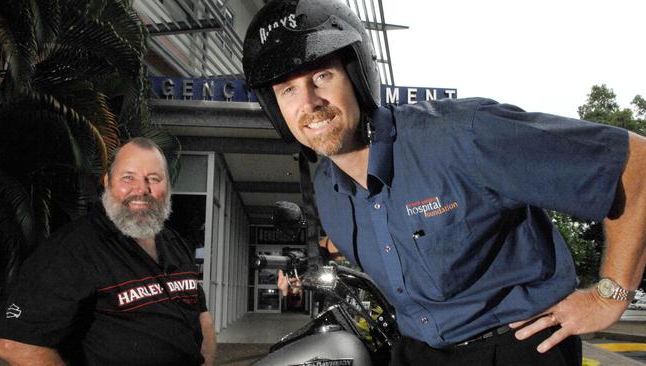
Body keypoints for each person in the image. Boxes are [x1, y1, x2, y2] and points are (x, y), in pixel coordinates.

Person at [242, 1, 646, 365]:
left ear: (357, 76)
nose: (309, 103)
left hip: (517, 347)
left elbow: (635, 165)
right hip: (419, 352)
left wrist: (609, 295)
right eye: (288, 89)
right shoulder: (328, 193)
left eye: (322, 76)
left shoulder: (461, 136)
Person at [0, 138, 216, 366]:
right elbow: (15, 345)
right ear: (108, 182)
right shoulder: (72, 249)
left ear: (167, 187)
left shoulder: (174, 242)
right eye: (128, 177)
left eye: (154, 178)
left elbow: (201, 314)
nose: (142, 189)